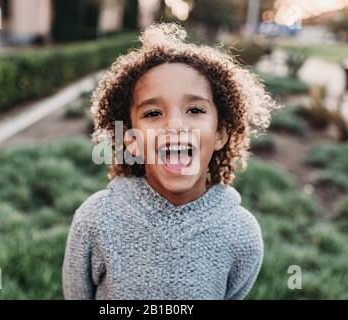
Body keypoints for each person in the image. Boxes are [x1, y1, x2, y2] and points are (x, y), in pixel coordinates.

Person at [62, 22, 276, 300]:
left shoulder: (241, 233)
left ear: (221, 133)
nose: (175, 124)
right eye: (152, 113)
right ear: (132, 140)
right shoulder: (95, 220)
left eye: (195, 109)